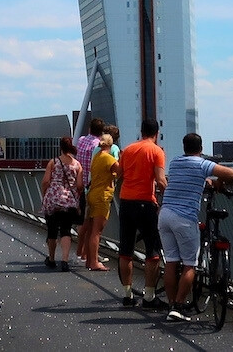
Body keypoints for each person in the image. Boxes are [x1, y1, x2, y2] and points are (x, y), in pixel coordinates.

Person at [158, 133, 233, 321]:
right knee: (189, 264)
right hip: (184, 217)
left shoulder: (176, 163)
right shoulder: (202, 164)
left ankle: (171, 304)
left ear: (184, 147)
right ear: (201, 148)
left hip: (165, 214)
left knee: (171, 262)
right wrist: (219, 182)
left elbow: (189, 178)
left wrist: (207, 181)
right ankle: (178, 306)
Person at [115, 118, 168, 309]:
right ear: (157, 133)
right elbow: (161, 180)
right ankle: (149, 296)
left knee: (126, 251)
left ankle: (127, 295)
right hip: (146, 203)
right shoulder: (156, 151)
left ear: (141, 131)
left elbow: (118, 173)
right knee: (152, 251)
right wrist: (169, 197)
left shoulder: (128, 150)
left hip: (126, 201)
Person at [40, 136, 84, 271]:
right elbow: (79, 185)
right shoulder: (77, 164)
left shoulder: (53, 162)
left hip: (53, 199)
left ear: (60, 147)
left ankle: (51, 258)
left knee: (52, 231)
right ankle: (64, 260)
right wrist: (75, 196)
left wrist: (45, 195)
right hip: (69, 201)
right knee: (66, 230)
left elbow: (46, 181)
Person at [80, 132, 117, 271]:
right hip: (102, 196)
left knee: (91, 230)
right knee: (97, 232)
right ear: (111, 144)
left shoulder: (96, 157)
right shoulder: (108, 158)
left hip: (92, 194)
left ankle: (89, 260)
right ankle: (95, 262)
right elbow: (121, 171)